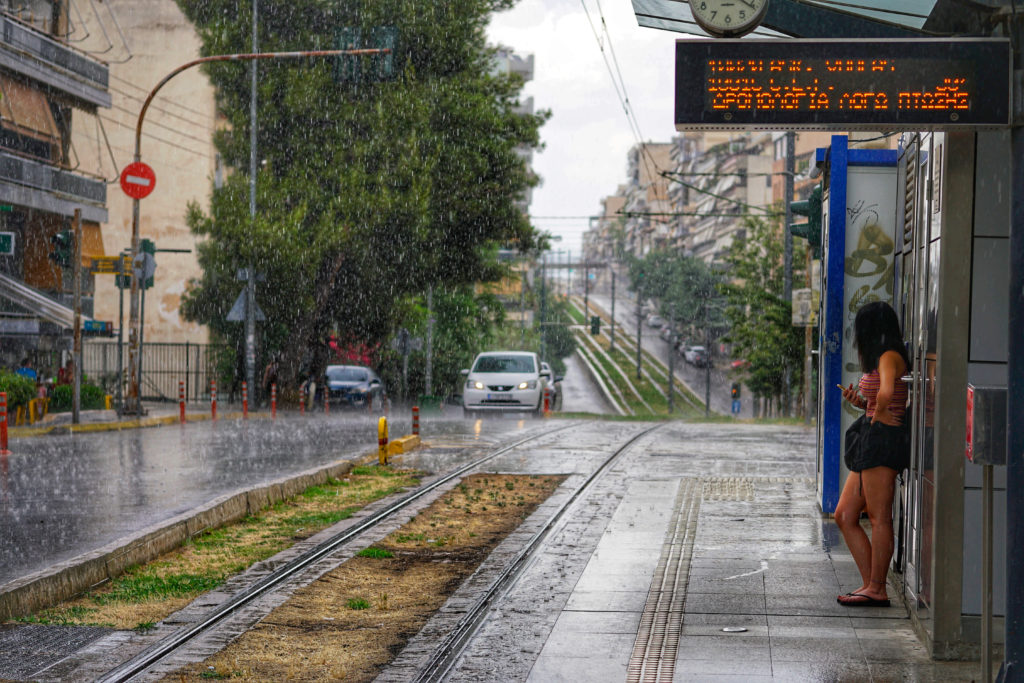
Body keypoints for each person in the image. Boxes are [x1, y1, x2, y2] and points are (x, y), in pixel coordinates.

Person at [835, 301, 911, 608]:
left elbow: (886, 392)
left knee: (880, 517)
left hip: (882, 442)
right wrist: (861, 403)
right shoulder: (884, 356)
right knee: (845, 514)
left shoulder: (889, 356)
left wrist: (878, 413)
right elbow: (877, 397)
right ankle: (871, 585)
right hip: (873, 439)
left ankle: (877, 588)